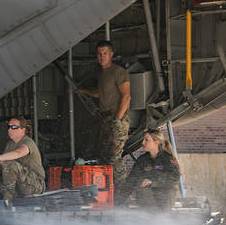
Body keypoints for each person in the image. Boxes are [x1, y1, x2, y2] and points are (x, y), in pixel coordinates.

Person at [76, 40, 131, 186]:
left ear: (111, 54)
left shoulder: (118, 72)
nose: (102, 56)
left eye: (105, 53)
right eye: (99, 54)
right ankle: (111, 188)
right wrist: (84, 91)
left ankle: (124, 189)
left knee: (114, 157)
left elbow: (126, 96)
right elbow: (101, 94)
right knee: (104, 156)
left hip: (116, 118)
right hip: (106, 119)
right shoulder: (102, 74)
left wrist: (118, 120)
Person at [0, 117, 45, 202]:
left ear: (23, 130)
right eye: (8, 127)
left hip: (35, 184)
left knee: (10, 164)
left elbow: (18, 153)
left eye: (14, 127)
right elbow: (2, 162)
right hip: (17, 184)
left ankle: (8, 202)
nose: (10, 130)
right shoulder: (10, 144)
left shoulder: (28, 142)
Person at [116, 129, 180, 213]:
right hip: (148, 200)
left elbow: (175, 176)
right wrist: (117, 202)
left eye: (146, 140)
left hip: (164, 196)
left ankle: (160, 219)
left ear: (156, 142)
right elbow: (131, 181)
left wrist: (153, 181)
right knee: (140, 185)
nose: (143, 143)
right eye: (143, 140)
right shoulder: (142, 160)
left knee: (161, 216)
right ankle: (150, 218)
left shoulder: (168, 158)